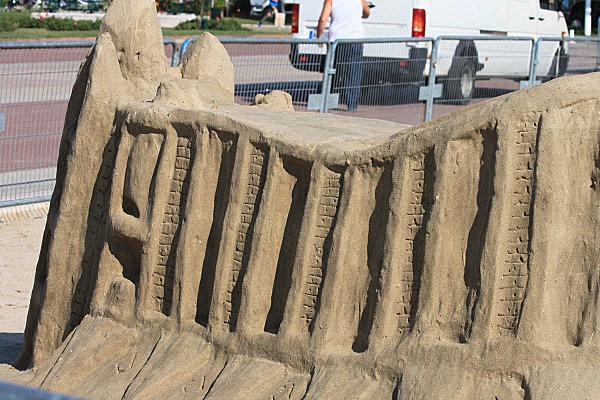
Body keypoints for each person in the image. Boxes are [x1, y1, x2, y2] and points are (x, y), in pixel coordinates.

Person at [317, 0, 370, 112]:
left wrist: (319, 37)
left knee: (333, 70)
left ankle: (328, 99)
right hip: (356, 39)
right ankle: (352, 104)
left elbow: (323, 19)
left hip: (337, 39)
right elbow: (367, 13)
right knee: (354, 72)